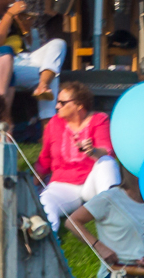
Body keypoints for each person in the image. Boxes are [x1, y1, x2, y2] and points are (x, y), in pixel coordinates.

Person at [35, 80, 118, 226]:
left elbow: (107, 150)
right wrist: (31, 186)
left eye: (62, 102)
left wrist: (92, 151)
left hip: (91, 184)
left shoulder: (99, 119)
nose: (57, 106)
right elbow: (45, 160)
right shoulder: (54, 124)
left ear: (79, 105)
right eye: (57, 102)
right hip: (63, 185)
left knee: (107, 162)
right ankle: (48, 243)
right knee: (45, 202)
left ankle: (113, 218)